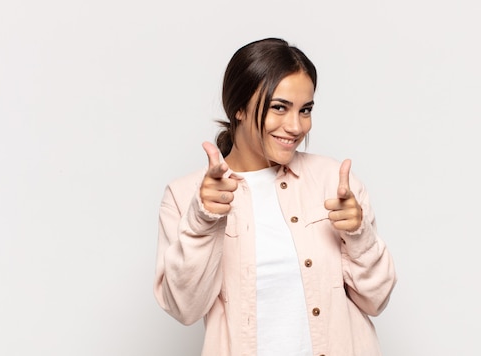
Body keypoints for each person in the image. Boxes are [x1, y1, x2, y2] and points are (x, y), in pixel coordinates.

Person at [153, 37, 397, 356]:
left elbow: (376, 300)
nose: (296, 126)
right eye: (279, 107)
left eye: (305, 110)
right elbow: (185, 308)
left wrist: (358, 234)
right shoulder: (186, 195)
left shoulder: (335, 182)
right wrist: (203, 220)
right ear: (238, 107)